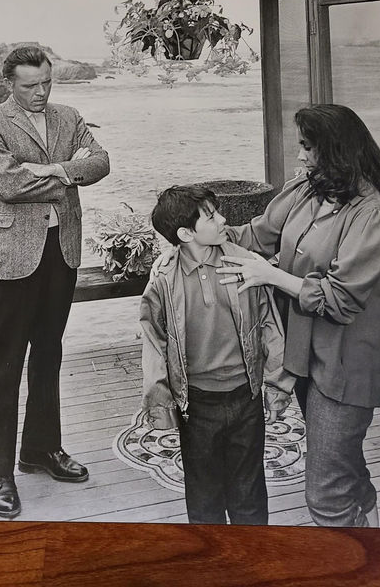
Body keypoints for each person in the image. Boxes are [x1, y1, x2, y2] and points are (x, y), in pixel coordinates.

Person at [217, 104, 380, 528]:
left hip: (346, 367)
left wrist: (272, 276)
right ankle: (373, 533)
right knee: (343, 462)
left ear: (335, 150)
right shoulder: (305, 190)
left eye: (307, 147)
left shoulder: (372, 216)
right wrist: (197, 226)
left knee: (325, 495)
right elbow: (256, 236)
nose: (299, 156)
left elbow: (339, 300)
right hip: (306, 357)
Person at [0, 45, 110, 519]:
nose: (40, 92)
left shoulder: (68, 115)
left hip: (60, 251)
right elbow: (8, 185)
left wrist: (53, 169)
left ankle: (41, 450)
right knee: (3, 365)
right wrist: (72, 175)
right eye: (30, 85)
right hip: (11, 257)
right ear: (9, 82)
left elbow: (101, 161)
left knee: (49, 353)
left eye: (46, 82)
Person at [140, 185, 294, 525]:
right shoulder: (164, 278)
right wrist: (160, 402)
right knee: (204, 498)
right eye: (211, 216)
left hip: (246, 397)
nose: (223, 219)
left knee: (249, 494)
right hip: (196, 405)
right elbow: (154, 342)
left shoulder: (246, 263)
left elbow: (270, 325)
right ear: (184, 233)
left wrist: (278, 385)